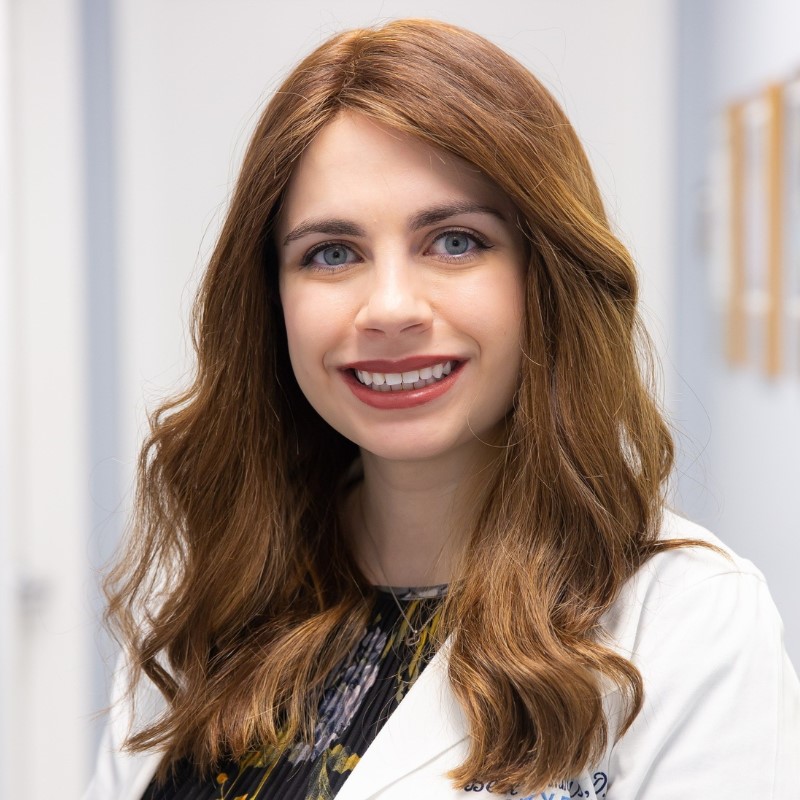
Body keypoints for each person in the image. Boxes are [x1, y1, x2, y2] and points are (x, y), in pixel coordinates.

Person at [84, 18, 800, 800]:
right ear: (270, 301)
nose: (390, 308)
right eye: (332, 253)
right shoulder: (210, 596)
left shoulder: (690, 625)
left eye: (455, 241)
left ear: (544, 275)